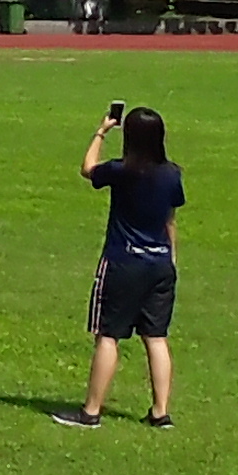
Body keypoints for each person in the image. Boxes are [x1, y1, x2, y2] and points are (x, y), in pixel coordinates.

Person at [59, 105, 182, 430]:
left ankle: (91, 411)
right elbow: (170, 220)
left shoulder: (122, 170)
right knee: (156, 337)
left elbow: (88, 169)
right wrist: (172, 259)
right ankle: (160, 412)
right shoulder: (172, 174)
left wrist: (101, 131)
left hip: (123, 261)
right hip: (159, 262)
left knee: (108, 336)